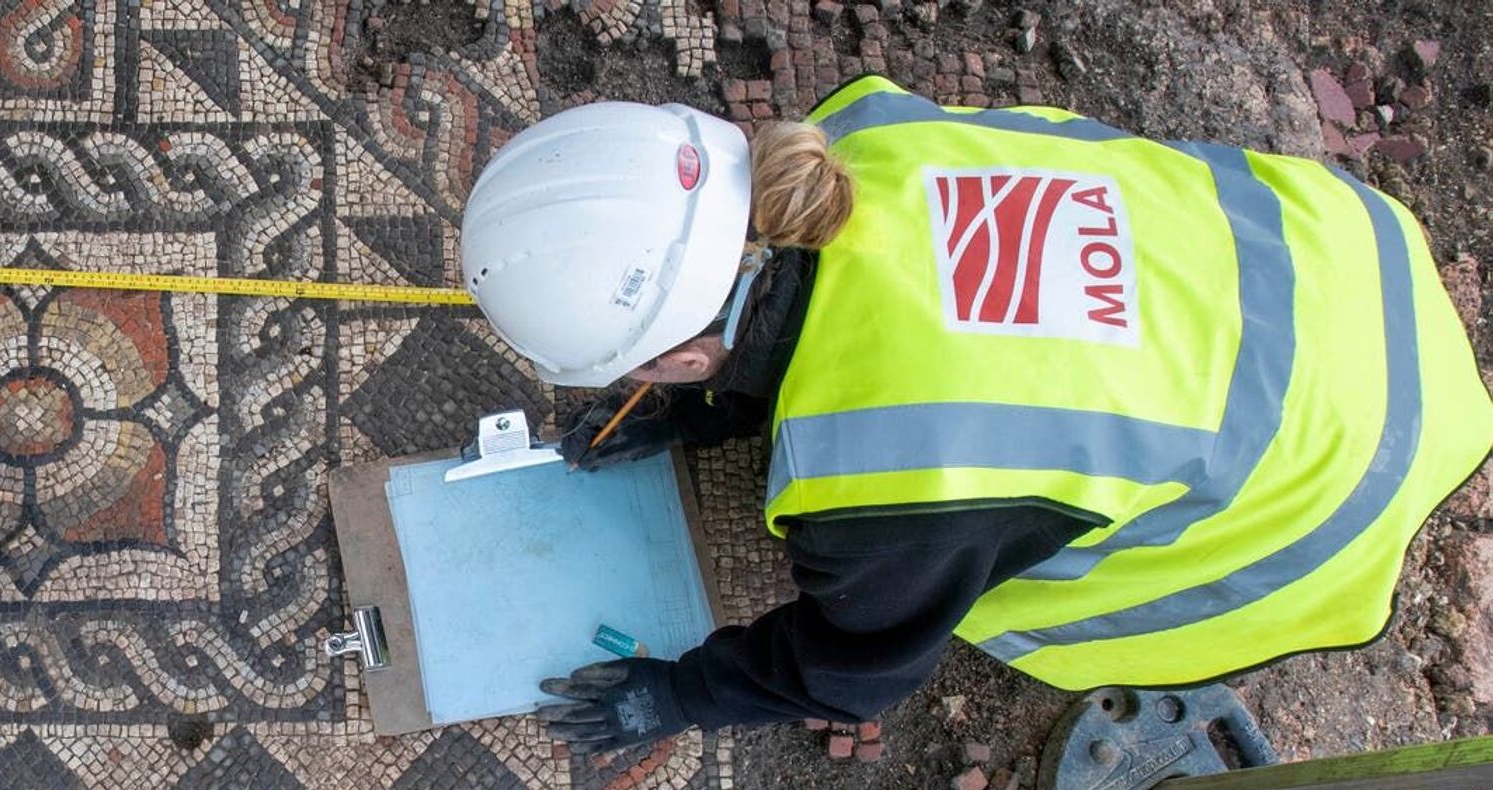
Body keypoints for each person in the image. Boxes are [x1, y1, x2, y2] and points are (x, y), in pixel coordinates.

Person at [457, 76, 1493, 752]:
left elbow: (856, 667)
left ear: (684, 354)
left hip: (1338, 476)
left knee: (1017, 602)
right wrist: (695, 415)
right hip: (1342, 253)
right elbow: (801, 297)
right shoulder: (863, 136)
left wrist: (682, 693)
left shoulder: (879, 486)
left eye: (649, 374)